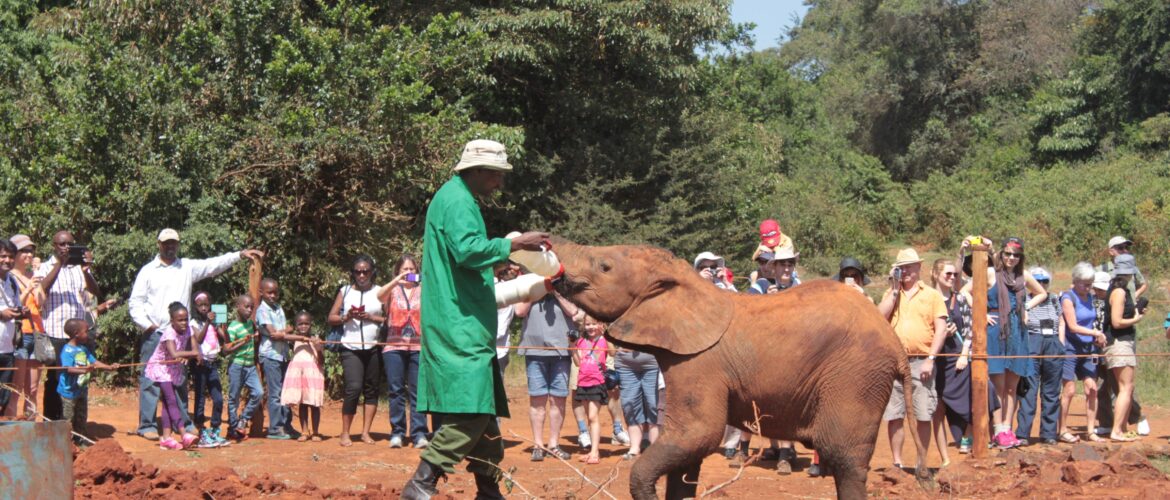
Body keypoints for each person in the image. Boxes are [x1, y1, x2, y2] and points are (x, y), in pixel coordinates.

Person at [402, 139, 548, 500]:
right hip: (458, 321)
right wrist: (512, 245)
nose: (500, 183)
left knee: (484, 409)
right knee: (471, 409)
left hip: (463, 315)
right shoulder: (458, 202)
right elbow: (467, 251)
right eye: (497, 175)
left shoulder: (455, 198)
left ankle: (488, 487)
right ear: (478, 171)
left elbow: (464, 261)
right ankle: (422, 481)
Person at [128, 228, 262, 440]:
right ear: (159, 244)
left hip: (180, 334)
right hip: (156, 334)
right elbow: (135, 302)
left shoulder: (186, 267)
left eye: (174, 243)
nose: (170, 247)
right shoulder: (148, 271)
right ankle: (147, 426)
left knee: (179, 380)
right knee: (150, 380)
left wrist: (238, 255)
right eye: (166, 243)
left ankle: (184, 422)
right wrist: (148, 326)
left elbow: (212, 265)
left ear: (178, 245)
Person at [878, 248, 946, 469]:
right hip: (894, 361)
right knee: (894, 413)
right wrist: (894, 290)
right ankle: (897, 461)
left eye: (908, 266)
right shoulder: (891, 294)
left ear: (919, 267)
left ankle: (921, 461)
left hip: (921, 361)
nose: (905, 271)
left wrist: (931, 358)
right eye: (900, 267)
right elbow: (879, 317)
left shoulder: (932, 295)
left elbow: (941, 329)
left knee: (923, 413)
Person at [982, 237, 1046, 448]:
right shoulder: (992, 273)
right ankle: (998, 429)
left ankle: (1008, 429)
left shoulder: (1023, 276)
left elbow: (1042, 293)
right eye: (1008, 253)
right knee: (998, 386)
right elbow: (967, 293)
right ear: (1002, 254)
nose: (1011, 258)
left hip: (1017, 331)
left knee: (1012, 387)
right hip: (996, 331)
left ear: (1021, 257)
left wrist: (1026, 308)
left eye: (1016, 255)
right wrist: (981, 314)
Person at [35, 231, 99, 421]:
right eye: (62, 244)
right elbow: (42, 290)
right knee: (56, 379)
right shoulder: (45, 268)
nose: (66, 248)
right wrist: (59, 265)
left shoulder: (78, 269)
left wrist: (86, 269)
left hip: (79, 335)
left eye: (70, 244)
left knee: (80, 378)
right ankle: (52, 423)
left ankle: (77, 428)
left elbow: (95, 292)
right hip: (56, 332)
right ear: (54, 246)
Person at [327, 255, 386, 447]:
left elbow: (390, 319)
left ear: (372, 272)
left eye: (365, 271)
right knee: (353, 388)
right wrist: (347, 317)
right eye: (357, 271)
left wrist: (370, 317)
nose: (361, 275)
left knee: (372, 389)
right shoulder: (344, 291)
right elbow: (331, 317)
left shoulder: (380, 292)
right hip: (350, 347)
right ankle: (345, 433)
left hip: (373, 346)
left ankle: (365, 432)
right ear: (352, 273)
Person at [1095, 237, 1149, 436]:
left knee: (1124, 387)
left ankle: (1122, 428)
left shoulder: (1117, 288)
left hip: (1119, 342)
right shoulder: (1118, 291)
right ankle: (1117, 430)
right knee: (1125, 387)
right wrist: (1136, 319)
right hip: (1119, 343)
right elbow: (1117, 322)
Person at [516, 292, 577, 461]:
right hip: (534, 352)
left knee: (558, 400)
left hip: (561, 352)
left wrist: (557, 292)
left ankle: (554, 444)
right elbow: (519, 311)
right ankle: (537, 445)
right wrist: (539, 289)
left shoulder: (564, 288)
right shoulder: (530, 287)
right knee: (537, 400)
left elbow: (573, 312)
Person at [377, 254, 428, 449]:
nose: (408, 273)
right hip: (394, 346)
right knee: (396, 391)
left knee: (417, 392)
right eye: (404, 269)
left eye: (412, 269)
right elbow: (379, 296)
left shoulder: (423, 289)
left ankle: (419, 433)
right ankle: (397, 432)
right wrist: (396, 281)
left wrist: (421, 279)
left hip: (418, 346)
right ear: (397, 271)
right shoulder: (392, 290)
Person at [256, 277, 313, 440]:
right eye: (269, 292)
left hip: (283, 355)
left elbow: (285, 330)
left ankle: (286, 425)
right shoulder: (262, 311)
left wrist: (283, 332)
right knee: (275, 393)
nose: (273, 296)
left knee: (287, 392)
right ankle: (275, 428)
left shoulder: (278, 308)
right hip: (270, 355)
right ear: (261, 293)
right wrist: (285, 332)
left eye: (275, 292)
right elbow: (274, 334)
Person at [1015, 267, 1064, 445]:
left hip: (1052, 342)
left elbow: (1061, 321)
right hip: (1032, 341)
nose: (1041, 285)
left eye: (1045, 281)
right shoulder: (1025, 299)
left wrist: (1061, 344)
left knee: (1051, 390)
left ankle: (1049, 433)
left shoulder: (1053, 299)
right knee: (1029, 389)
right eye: (1038, 281)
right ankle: (1023, 433)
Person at [1058, 263, 1106, 443]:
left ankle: (1091, 430)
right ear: (1075, 281)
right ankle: (1062, 429)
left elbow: (1094, 321)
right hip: (1071, 347)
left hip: (1089, 348)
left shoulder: (1091, 298)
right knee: (1069, 390)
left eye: (1090, 283)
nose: (1088, 287)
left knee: (1091, 389)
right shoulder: (1068, 298)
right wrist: (1095, 333)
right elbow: (1073, 326)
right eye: (1084, 283)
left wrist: (1097, 334)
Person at [146, 302, 203, 450]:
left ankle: (166, 438)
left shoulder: (189, 330)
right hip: (161, 367)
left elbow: (194, 347)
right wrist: (194, 354)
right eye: (180, 320)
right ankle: (184, 434)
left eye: (186, 319)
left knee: (166, 403)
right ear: (172, 321)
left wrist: (192, 355)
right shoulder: (168, 333)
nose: (184, 323)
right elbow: (174, 353)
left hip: (174, 368)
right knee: (172, 400)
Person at [58, 318, 113, 443]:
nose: (88, 334)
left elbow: (94, 362)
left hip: (81, 389)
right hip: (69, 392)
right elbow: (68, 369)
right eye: (86, 331)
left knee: (81, 416)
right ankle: (66, 442)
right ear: (77, 333)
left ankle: (80, 439)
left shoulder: (83, 349)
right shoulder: (67, 351)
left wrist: (108, 367)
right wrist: (85, 370)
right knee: (68, 418)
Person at [7, 234, 43, 419]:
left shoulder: (33, 275)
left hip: (36, 333)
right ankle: (12, 428)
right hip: (20, 335)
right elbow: (14, 305)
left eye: (31, 251)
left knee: (33, 388)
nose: (29, 255)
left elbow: (41, 302)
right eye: (24, 251)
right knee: (16, 387)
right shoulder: (9, 277)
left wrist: (36, 278)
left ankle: (30, 427)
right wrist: (28, 288)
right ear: (15, 254)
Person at [189, 291, 230, 448]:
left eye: (207, 305)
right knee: (200, 399)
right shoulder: (194, 322)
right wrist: (207, 322)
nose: (204, 308)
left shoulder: (213, 323)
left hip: (212, 363)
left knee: (218, 398)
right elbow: (198, 339)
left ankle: (215, 430)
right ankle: (201, 432)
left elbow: (225, 339)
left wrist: (223, 328)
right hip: (200, 364)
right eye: (201, 305)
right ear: (196, 307)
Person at [614, 327, 660, 461]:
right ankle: (634, 448)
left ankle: (654, 449)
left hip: (653, 362)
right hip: (625, 363)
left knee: (653, 404)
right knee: (630, 404)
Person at [280, 311, 325, 442]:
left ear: (311, 325)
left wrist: (318, 348)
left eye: (306, 324)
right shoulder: (293, 339)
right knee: (303, 404)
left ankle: (316, 432)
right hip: (298, 374)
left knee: (314, 404)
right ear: (296, 325)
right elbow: (283, 336)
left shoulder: (316, 338)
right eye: (300, 324)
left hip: (313, 374)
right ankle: (304, 431)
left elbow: (321, 360)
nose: (303, 326)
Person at [224, 294, 264, 441]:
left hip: (250, 366)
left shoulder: (251, 324)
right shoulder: (233, 327)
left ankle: (243, 420)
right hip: (237, 366)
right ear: (237, 307)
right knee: (233, 397)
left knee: (258, 393)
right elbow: (226, 350)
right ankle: (233, 428)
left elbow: (255, 341)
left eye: (251, 308)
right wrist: (242, 342)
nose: (249, 310)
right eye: (246, 307)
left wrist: (256, 337)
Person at [572, 315, 611, 465]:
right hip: (583, 382)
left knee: (593, 417)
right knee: (590, 417)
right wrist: (573, 346)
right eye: (588, 324)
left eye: (594, 324)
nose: (591, 327)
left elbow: (612, 352)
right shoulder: (581, 341)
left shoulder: (603, 340)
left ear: (600, 324)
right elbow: (577, 362)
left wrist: (605, 333)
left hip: (597, 382)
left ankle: (595, 452)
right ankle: (592, 451)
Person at [0, 239, 22, 416]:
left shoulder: (12, 282)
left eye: (10, 257)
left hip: (7, 349)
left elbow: (16, 307)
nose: (7, 260)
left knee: (3, 397)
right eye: (3, 256)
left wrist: (23, 312)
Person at [494, 261, 522, 378]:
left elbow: (520, 311)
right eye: (508, 266)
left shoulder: (509, 288)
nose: (513, 269)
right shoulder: (497, 287)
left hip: (500, 351)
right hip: (489, 349)